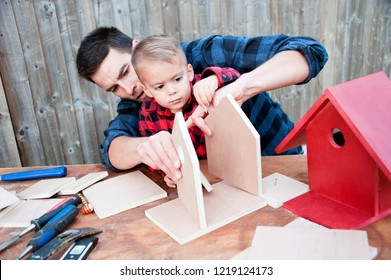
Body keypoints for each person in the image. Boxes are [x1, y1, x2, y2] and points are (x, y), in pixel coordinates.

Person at [76, 26, 328, 185]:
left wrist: (242, 87)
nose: (128, 88)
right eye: (114, 88)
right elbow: (111, 148)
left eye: (125, 71)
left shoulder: (205, 53)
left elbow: (310, 51)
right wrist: (146, 147)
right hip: (226, 184)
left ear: (136, 48)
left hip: (282, 162)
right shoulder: (138, 101)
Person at [131, 34, 240, 186]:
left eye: (177, 79)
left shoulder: (201, 87)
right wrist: (167, 173)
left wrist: (215, 79)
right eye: (160, 87)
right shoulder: (148, 113)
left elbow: (236, 78)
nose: (172, 90)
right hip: (191, 178)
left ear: (189, 72)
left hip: (228, 166)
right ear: (147, 90)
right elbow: (157, 153)